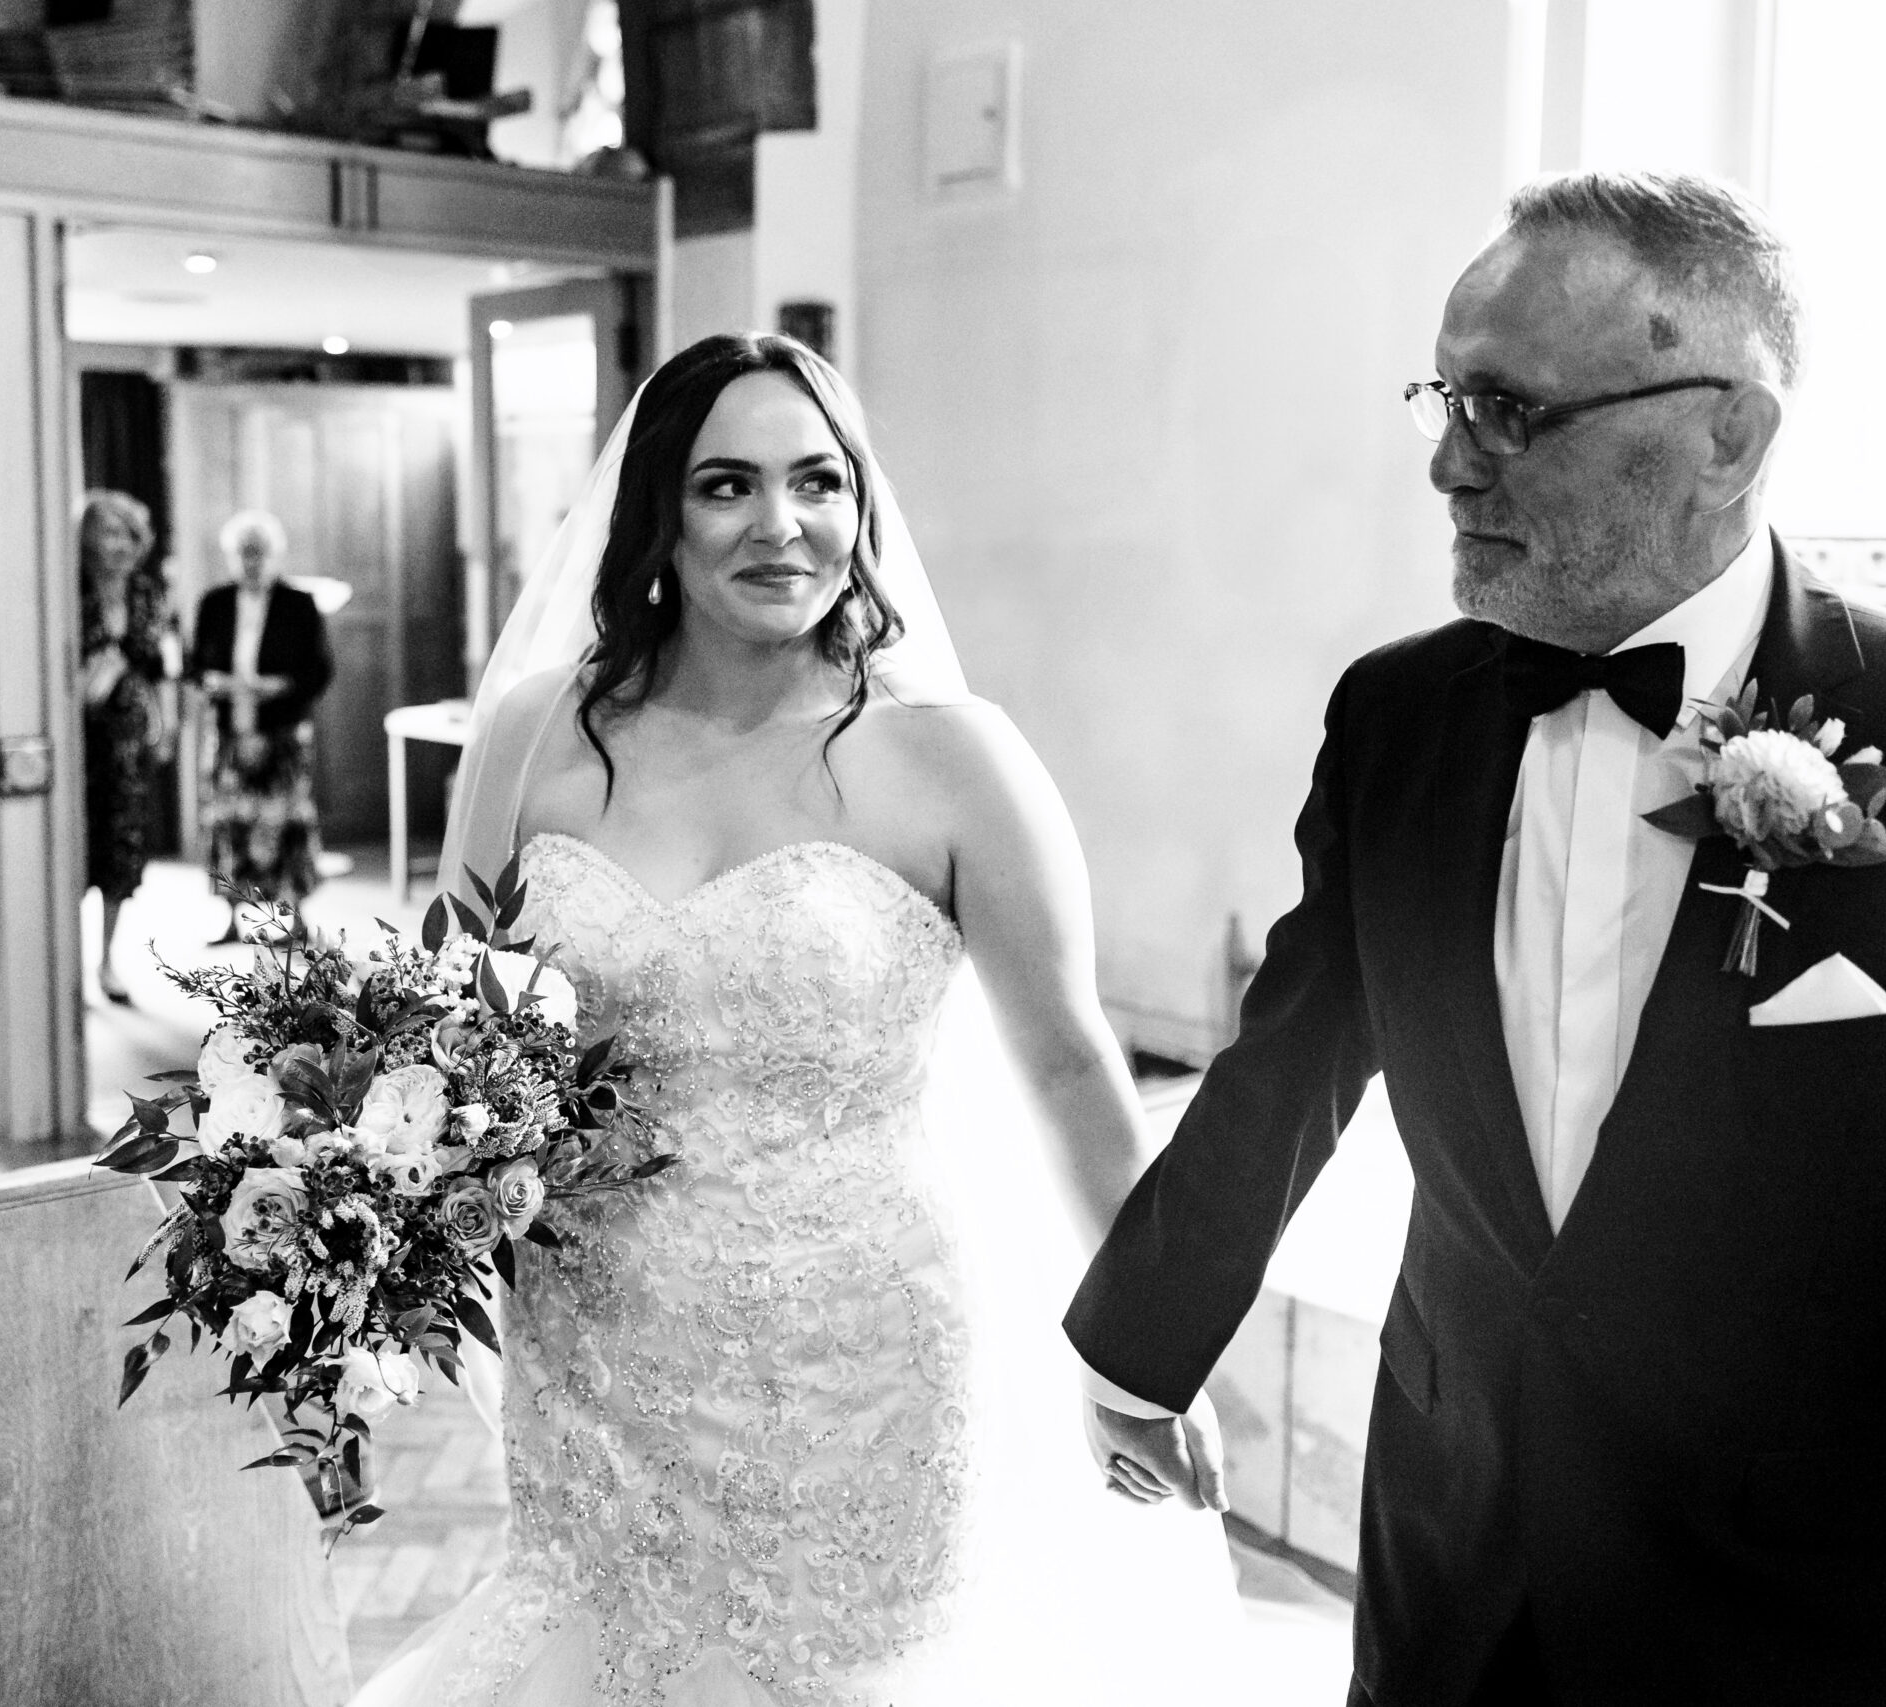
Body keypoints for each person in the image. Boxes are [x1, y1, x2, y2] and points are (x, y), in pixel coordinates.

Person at [1066, 170, 1886, 1704]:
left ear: (1730, 435)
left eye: (1509, 410)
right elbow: (1290, 1063)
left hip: (1821, 1614)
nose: (1447, 461)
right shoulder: (1399, 718)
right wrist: (1131, 1349)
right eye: (1443, 395)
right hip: (1458, 1563)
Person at [356, 333, 1239, 1707]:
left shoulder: (953, 759)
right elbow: (451, 1032)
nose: (784, 525)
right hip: (595, 1356)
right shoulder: (538, 733)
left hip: (861, 1363)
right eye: (728, 486)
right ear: (659, 513)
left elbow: (1071, 1068)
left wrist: (1149, 1350)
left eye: (819, 480)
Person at [191, 509, 333, 940]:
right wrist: (210, 680)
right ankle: (232, 918)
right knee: (228, 825)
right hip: (229, 732)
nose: (252, 561)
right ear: (231, 556)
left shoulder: (299, 604)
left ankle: (297, 919)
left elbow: (320, 670)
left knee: (286, 824)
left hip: (283, 732)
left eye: (260, 552)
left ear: (276, 555)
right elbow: (195, 663)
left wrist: (280, 686)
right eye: (243, 553)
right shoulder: (214, 603)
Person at [77, 488, 180, 1004]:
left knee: (121, 852)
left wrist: (167, 721)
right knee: (73, 849)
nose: (116, 543)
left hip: (129, 740)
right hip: (78, 735)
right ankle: (60, 959)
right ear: (87, 538)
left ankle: (106, 961)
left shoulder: (146, 592)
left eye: (126, 533)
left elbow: (162, 664)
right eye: (106, 531)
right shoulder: (69, 589)